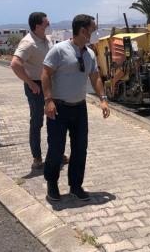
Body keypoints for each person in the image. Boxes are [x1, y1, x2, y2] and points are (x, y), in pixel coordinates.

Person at [41, 14, 110, 202]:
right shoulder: (59, 50)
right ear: (82, 30)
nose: (94, 33)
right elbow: (45, 74)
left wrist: (103, 99)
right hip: (58, 108)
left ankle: (76, 186)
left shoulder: (89, 53)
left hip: (80, 108)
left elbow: (94, 76)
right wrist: (48, 100)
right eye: (92, 30)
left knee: (80, 148)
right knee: (56, 148)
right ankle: (52, 184)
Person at [11, 12, 69, 170]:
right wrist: (29, 82)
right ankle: (37, 158)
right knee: (37, 122)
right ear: (37, 26)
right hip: (36, 87)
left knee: (56, 120)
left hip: (50, 85)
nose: (49, 24)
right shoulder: (28, 43)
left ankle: (56, 153)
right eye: (46, 22)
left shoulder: (47, 39)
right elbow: (15, 64)